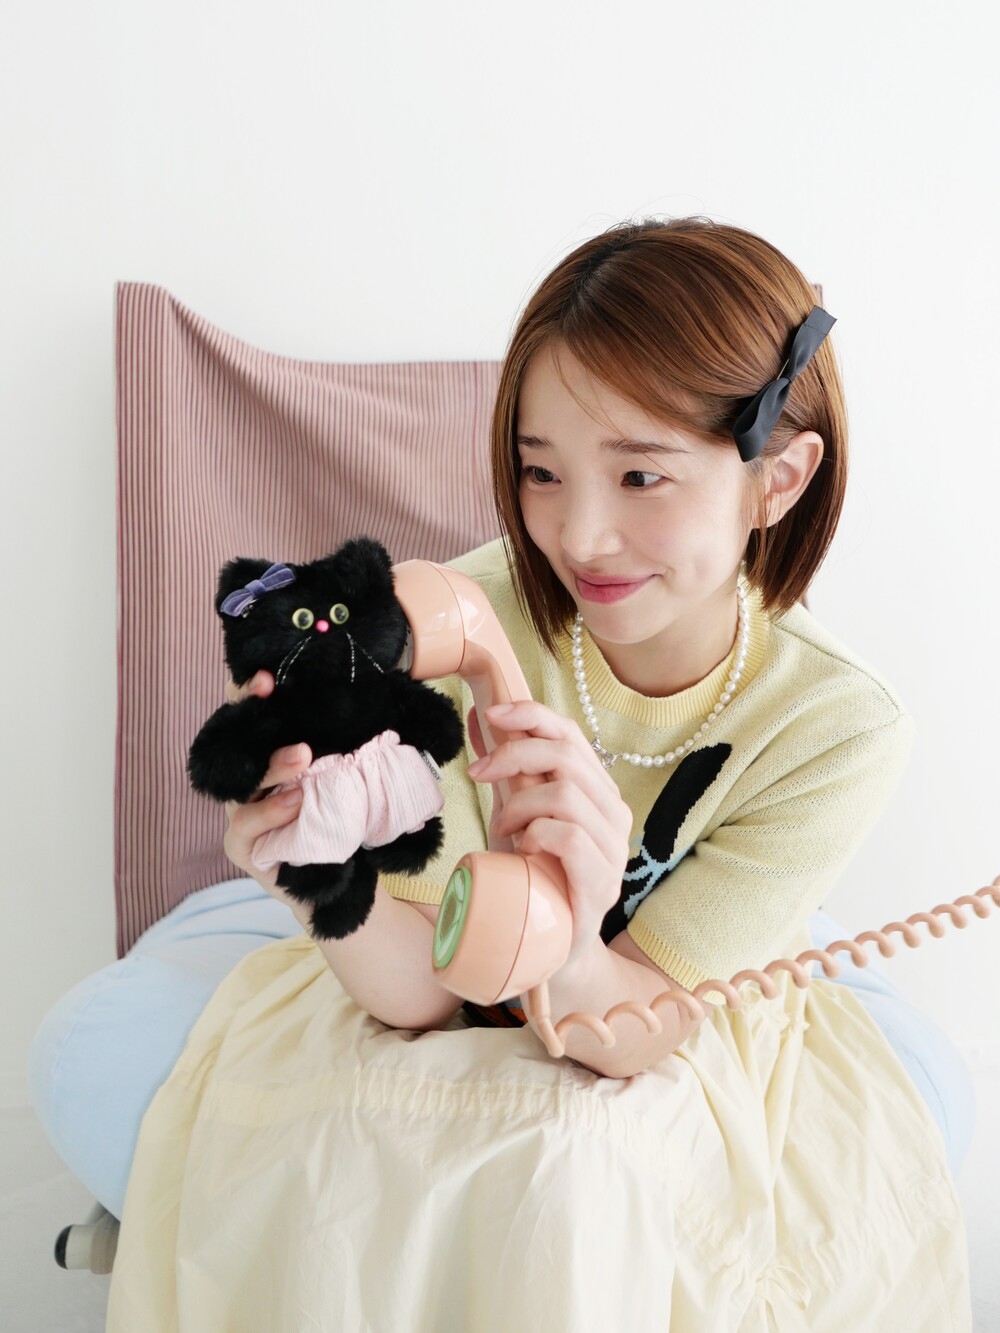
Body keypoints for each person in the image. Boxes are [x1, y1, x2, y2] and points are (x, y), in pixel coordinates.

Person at [69, 218, 978, 1329]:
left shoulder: (838, 726)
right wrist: (319, 875)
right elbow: (424, 993)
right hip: (457, 965)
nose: (579, 535)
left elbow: (629, 1023)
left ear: (776, 479)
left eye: (641, 474)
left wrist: (579, 929)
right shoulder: (457, 622)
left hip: (665, 981)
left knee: (579, 1173)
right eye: (541, 472)